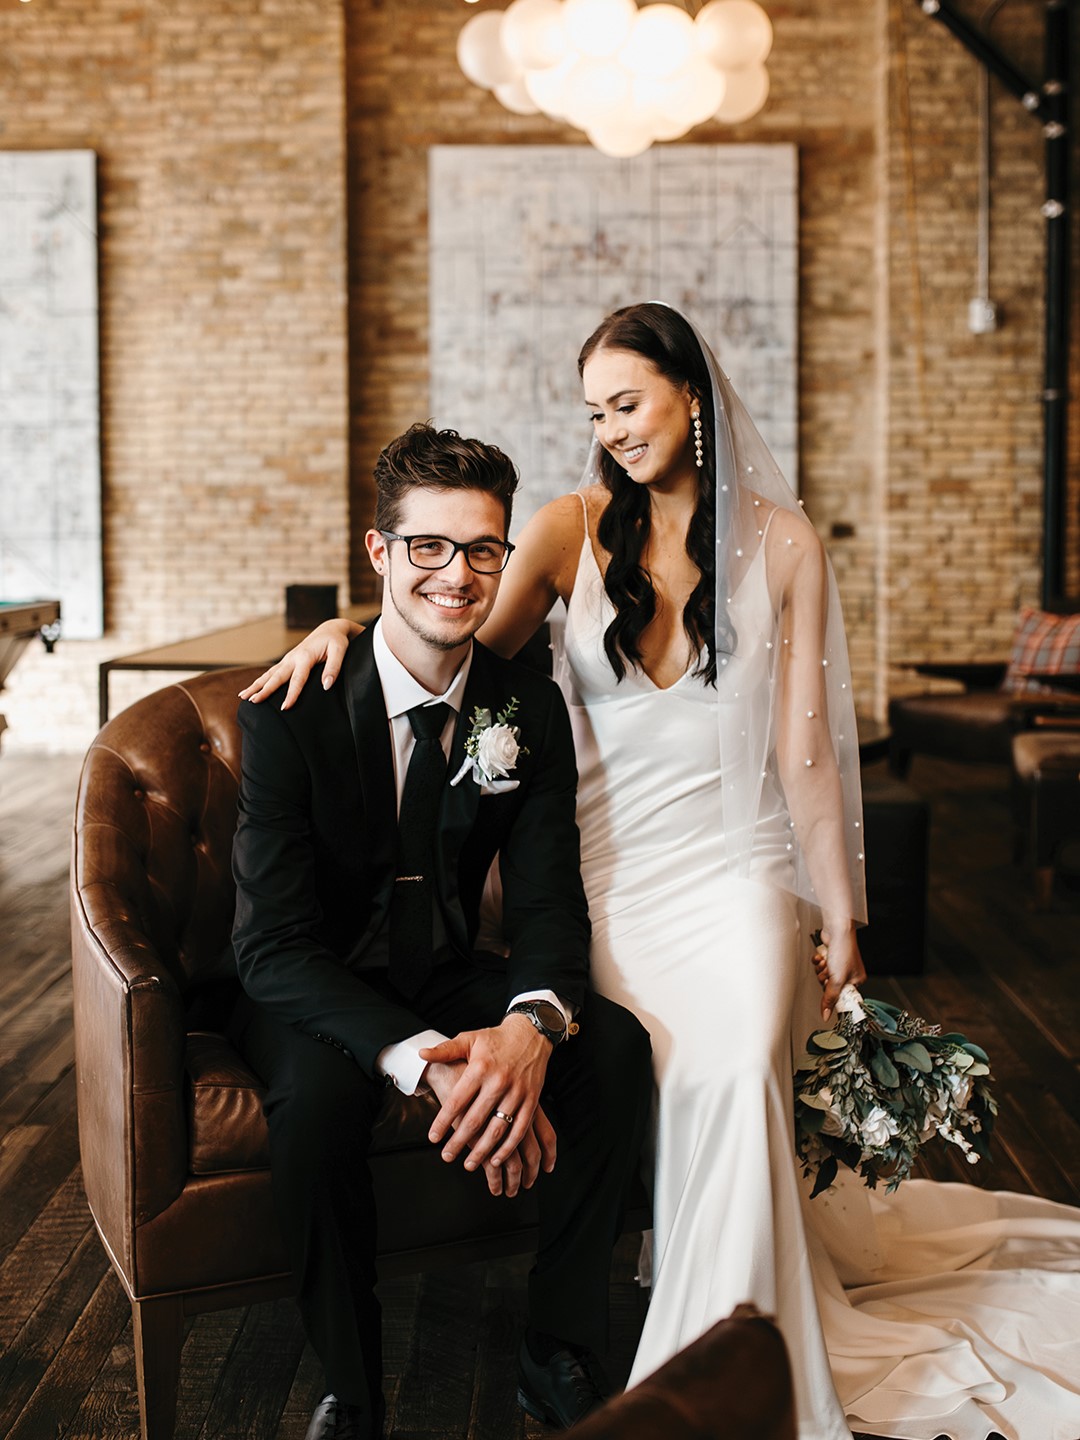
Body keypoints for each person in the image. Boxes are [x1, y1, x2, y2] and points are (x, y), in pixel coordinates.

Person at [241, 305, 1080, 1440]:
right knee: (630, 1053)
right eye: (594, 411)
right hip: (602, 867)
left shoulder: (784, 541)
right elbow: (451, 632)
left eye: (626, 403)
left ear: (692, 394)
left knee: (728, 1065)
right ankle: (580, 1336)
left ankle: (724, 1348)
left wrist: (844, 916)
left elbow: (805, 752)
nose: (610, 429)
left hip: (736, 866)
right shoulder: (567, 526)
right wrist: (338, 634)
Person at [231, 422, 653, 1440]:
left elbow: (551, 904)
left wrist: (526, 1033)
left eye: (481, 550)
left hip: (449, 967)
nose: (456, 576)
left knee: (615, 1052)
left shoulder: (525, 708)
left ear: (504, 556)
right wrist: (435, 1065)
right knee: (323, 1102)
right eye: (428, 546)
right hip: (316, 986)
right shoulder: (292, 710)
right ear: (381, 554)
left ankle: (560, 1349)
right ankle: (352, 1387)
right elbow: (271, 948)